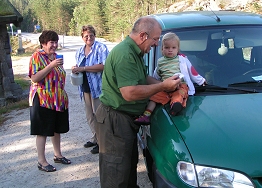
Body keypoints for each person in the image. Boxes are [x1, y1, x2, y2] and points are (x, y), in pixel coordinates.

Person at [95, 17, 181, 188]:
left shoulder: (135, 52)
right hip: (115, 121)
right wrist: (163, 86)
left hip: (123, 121)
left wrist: (169, 87)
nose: (157, 44)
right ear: (143, 35)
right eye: (155, 39)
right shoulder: (125, 54)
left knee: (126, 170)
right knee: (116, 176)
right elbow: (129, 92)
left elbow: (142, 79)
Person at [135, 32, 206, 123]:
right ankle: (146, 115)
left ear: (178, 49)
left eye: (173, 48)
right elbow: (156, 75)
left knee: (179, 95)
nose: (170, 50)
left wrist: (201, 81)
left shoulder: (182, 59)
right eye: (167, 47)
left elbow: (192, 71)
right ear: (162, 49)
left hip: (180, 85)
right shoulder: (160, 62)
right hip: (165, 87)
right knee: (154, 98)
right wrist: (156, 86)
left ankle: (175, 108)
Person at [29, 30, 70, 172]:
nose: (54, 45)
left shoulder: (56, 56)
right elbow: (34, 78)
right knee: (42, 130)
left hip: (57, 99)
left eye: (55, 42)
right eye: (51, 42)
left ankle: (57, 155)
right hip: (42, 99)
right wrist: (51, 65)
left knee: (57, 128)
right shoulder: (37, 56)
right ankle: (41, 161)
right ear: (43, 44)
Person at [71, 25, 109, 154]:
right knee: (89, 116)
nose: (89, 38)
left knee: (99, 116)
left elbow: (103, 66)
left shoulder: (101, 48)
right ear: (82, 37)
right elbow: (80, 67)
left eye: (91, 35)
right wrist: (76, 69)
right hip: (85, 87)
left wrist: (83, 68)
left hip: (98, 87)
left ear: (95, 35)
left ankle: (102, 142)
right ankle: (95, 138)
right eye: (86, 36)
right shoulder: (80, 51)